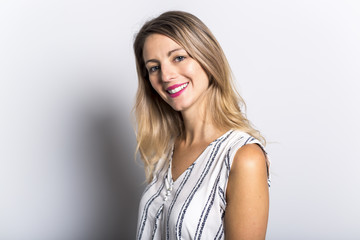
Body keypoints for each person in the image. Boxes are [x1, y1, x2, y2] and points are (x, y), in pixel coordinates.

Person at [133, 10, 270, 240]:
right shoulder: (165, 149)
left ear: (207, 58)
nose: (166, 76)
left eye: (178, 57)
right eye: (154, 67)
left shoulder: (243, 157)